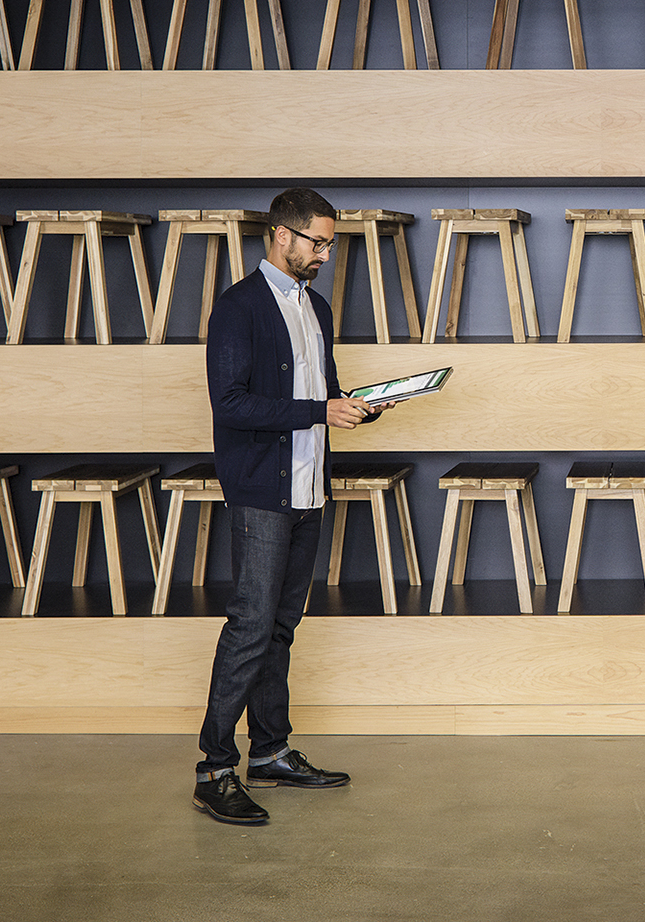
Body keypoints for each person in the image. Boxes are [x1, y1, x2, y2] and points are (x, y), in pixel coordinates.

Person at [192, 187, 390, 826]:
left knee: (279, 628)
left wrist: (352, 405)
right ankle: (214, 770)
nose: (326, 254)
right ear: (282, 235)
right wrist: (318, 411)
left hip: (309, 489)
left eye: (330, 244)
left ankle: (270, 751)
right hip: (261, 495)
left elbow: (318, 392)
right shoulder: (240, 307)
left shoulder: (317, 308)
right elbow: (232, 405)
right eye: (319, 242)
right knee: (250, 627)